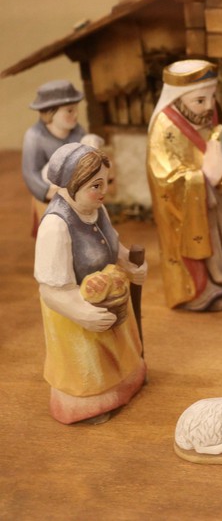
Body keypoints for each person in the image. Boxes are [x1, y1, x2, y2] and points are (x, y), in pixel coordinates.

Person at [34, 143, 147, 424]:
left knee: (121, 354)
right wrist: (81, 312)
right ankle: (87, 404)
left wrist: (128, 264)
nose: (104, 191)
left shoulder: (97, 208)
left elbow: (113, 245)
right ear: (73, 183)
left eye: (106, 182)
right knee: (88, 364)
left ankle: (124, 385)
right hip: (75, 312)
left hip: (111, 298)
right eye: (96, 185)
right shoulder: (55, 226)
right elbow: (50, 290)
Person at [147, 59, 222, 312]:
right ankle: (199, 291)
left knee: (221, 236)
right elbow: (165, 179)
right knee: (201, 241)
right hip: (196, 203)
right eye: (200, 100)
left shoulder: (209, 112)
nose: (209, 106)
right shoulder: (164, 128)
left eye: (212, 97)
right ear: (177, 99)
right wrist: (203, 179)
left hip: (216, 197)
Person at [22, 80, 89, 235]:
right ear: (50, 113)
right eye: (69, 111)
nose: (76, 115)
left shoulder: (78, 132)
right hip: (50, 200)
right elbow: (30, 172)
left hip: (77, 195)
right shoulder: (34, 137)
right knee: (54, 232)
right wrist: (48, 191)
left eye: (76, 109)